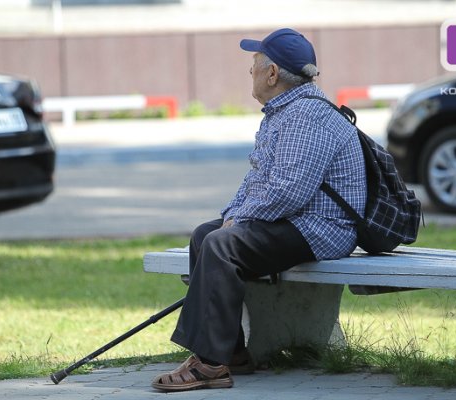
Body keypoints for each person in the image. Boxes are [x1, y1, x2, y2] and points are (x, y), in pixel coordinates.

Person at [151, 28, 367, 392]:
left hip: (322, 228)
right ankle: (230, 352)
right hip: (296, 220)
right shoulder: (285, 111)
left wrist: (240, 220)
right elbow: (257, 181)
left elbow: (288, 192)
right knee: (207, 234)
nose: (249, 72)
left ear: (272, 74)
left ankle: (208, 363)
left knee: (222, 244)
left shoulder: (306, 116)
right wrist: (232, 215)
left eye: (254, 65)